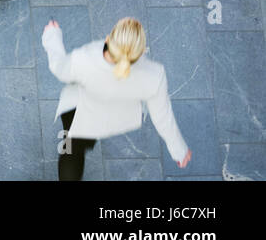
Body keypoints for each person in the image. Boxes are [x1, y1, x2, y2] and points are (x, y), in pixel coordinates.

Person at [42, 17, 191, 181]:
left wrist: (52, 36)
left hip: (78, 115)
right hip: (113, 119)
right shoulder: (154, 75)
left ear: (108, 39)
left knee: (71, 149)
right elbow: (162, 117)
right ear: (140, 52)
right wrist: (179, 151)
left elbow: (60, 69)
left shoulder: (84, 59)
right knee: (81, 142)